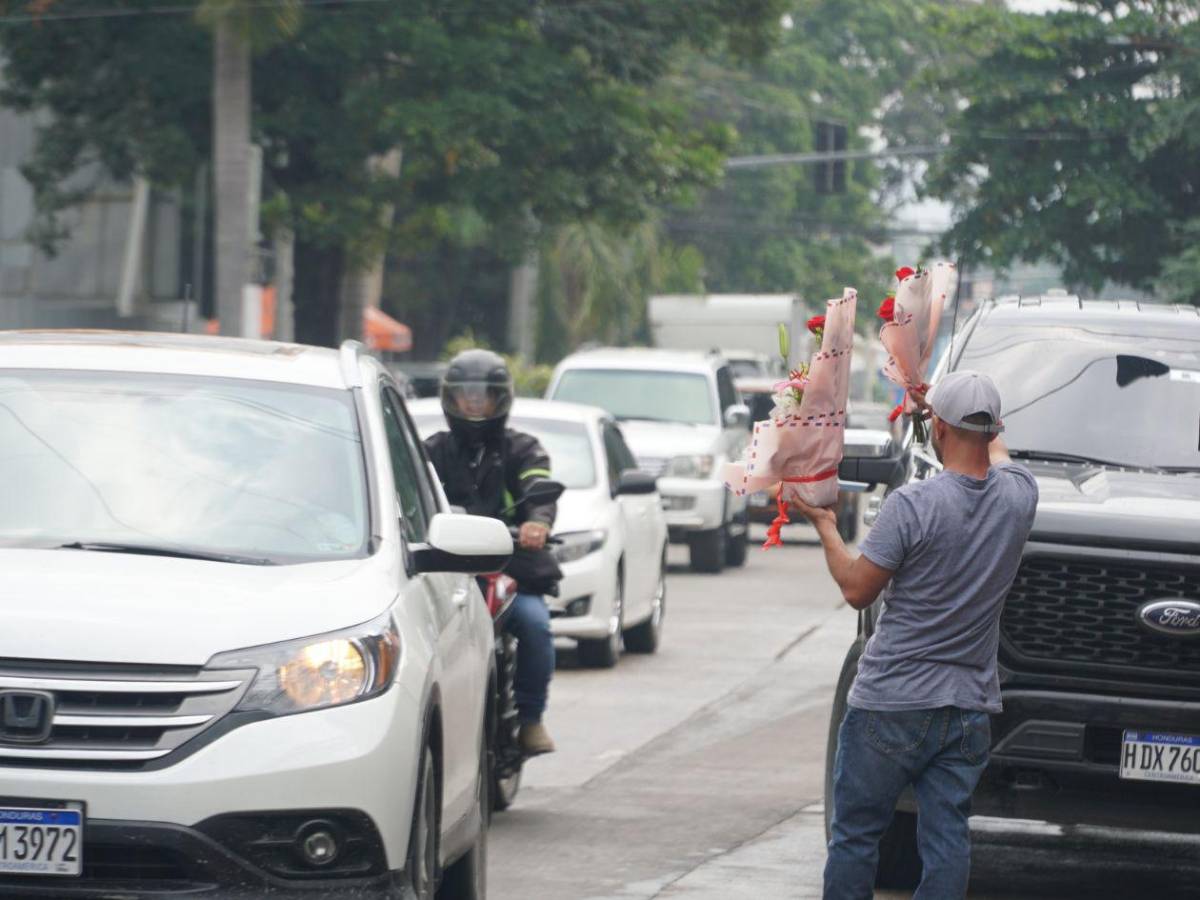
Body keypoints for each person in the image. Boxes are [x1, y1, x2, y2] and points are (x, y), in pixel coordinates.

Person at [790, 371, 1038, 900]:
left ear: (938, 429)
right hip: (966, 709)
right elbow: (1000, 454)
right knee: (947, 840)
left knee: (856, 837)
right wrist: (957, 417)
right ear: (995, 428)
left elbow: (858, 589)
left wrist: (825, 526)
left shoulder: (912, 506)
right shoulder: (1020, 500)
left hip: (890, 704)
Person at [425, 349, 558, 756]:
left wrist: (538, 521)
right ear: (451, 399)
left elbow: (539, 486)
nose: (475, 404)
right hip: (449, 570)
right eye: (466, 396)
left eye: (483, 396)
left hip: (510, 569)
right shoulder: (432, 451)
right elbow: (411, 497)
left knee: (535, 626)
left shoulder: (523, 448)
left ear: (500, 400)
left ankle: (532, 720)